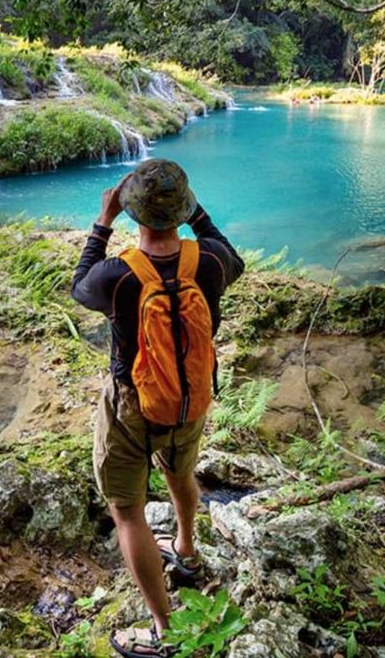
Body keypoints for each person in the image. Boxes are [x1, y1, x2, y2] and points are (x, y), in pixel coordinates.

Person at [72, 160, 244, 657]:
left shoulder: (118, 275)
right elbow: (231, 252)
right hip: (191, 399)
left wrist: (102, 222)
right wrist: (194, 211)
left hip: (132, 405)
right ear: (185, 209)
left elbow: (79, 284)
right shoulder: (209, 261)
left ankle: (164, 631)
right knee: (180, 471)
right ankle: (186, 549)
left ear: (132, 212)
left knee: (127, 512)